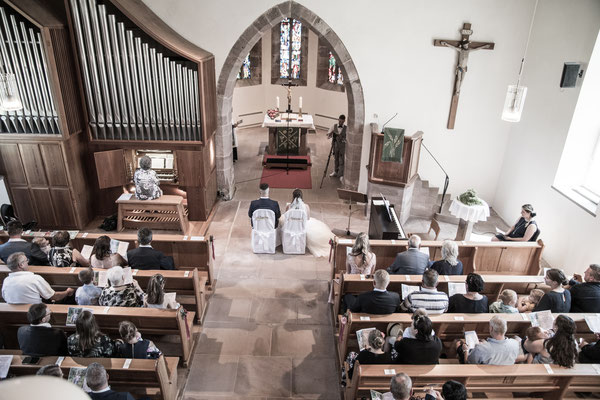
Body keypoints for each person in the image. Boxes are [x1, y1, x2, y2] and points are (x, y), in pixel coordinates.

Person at [2, 252, 75, 304]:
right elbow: (54, 297)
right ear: (21, 265)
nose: (28, 262)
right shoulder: (34, 278)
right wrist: (67, 292)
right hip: (36, 313)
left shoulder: (6, 280)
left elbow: (5, 298)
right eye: (26, 260)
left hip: (15, 315)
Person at [284, 189, 333, 258]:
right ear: (301, 197)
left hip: (291, 227)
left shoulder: (288, 206)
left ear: (293, 197)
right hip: (302, 227)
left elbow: (286, 217)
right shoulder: (306, 206)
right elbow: (308, 218)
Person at [327, 114, 346, 180]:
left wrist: (343, 138)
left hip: (343, 147)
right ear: (338, 120)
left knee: (342, 160)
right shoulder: (334, 126)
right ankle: (335, 171)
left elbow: (348, 139)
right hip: (335, 145)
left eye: (342, 122)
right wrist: (331, 133)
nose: (340, 122)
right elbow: (328, 136)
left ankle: (341, 174)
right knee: (336, 159)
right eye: (339, 121)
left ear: (344, 121)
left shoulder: (346, 128)